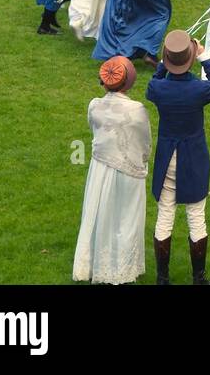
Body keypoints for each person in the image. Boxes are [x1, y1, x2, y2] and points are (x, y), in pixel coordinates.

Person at [147, 30, 210, 286]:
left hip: (167, 156)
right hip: (193, 157)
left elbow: (152, 85)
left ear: (167, 59)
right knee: (196, 215)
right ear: (190, 58)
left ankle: (162, 279)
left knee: (165, 215)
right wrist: (206, 59)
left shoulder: (158, 88)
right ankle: (198, 279)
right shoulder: (199, 89)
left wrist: (161, 65)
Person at [72, 57, 151, 285]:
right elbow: (145, 144)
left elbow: (95, 130)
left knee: (98, 214)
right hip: (129, 170)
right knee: (126, 217)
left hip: (100, 168)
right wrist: (142, 161)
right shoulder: (137, 110)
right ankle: (121, 270)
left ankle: (95, 264)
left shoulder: (94, 105)